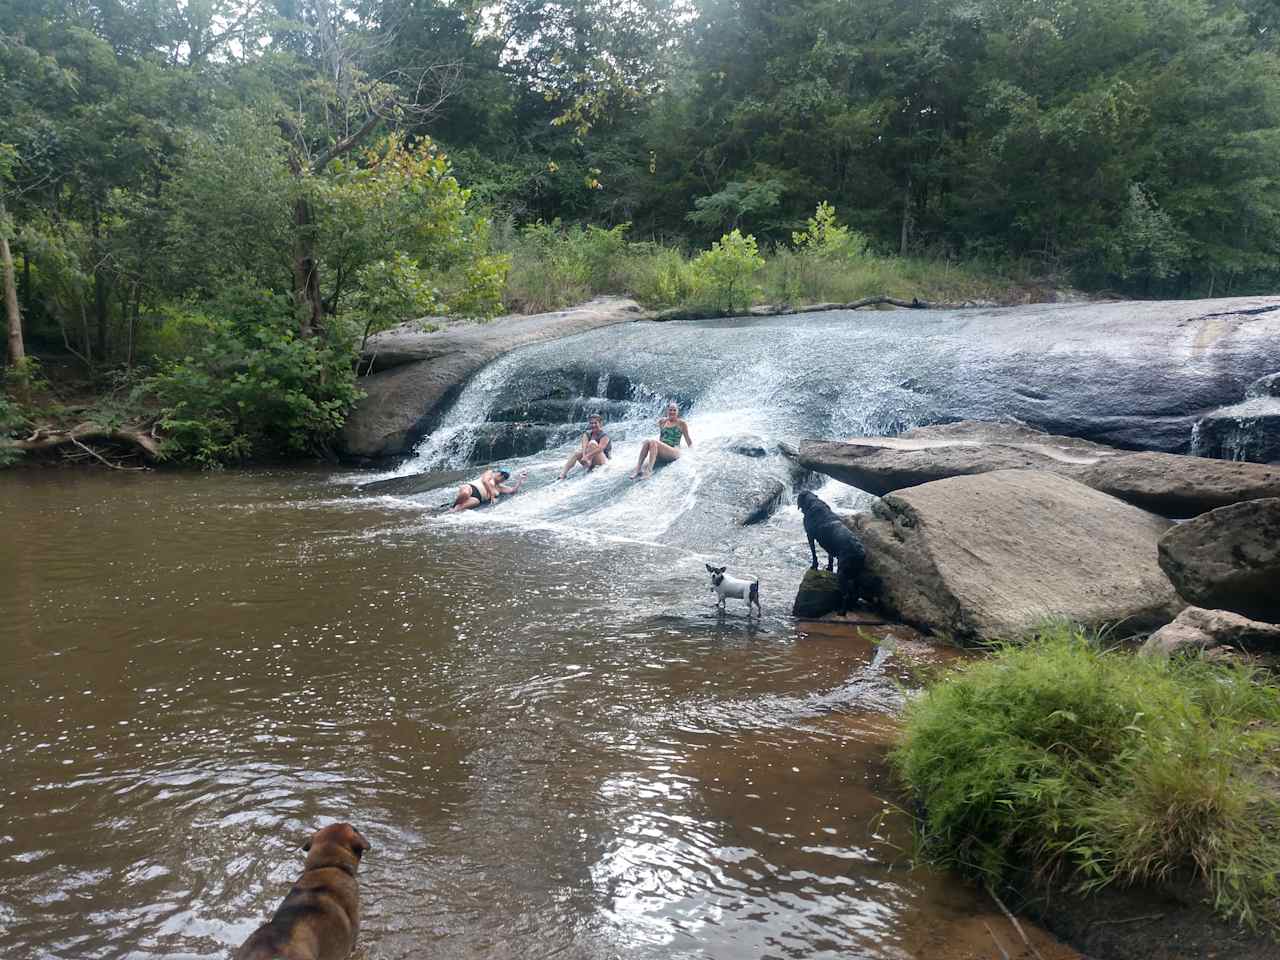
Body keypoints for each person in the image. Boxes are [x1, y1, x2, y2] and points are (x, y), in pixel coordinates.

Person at [631, 402, 692, 479]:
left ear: (677, 412)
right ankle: (638, 469)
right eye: (670, 410)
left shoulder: (682, 423)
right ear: (667, 411)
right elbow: (662, 437)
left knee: (653, 442)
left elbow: (688, 440)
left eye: (674, 410)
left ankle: (649, 471)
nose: (672, 412)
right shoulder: (662, 422)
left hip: (674, 451)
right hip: (663, 452)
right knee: (647, 441)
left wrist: (692, 453)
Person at [558, 413, 612, 480]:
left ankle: (589, 463)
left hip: (603, 461)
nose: (593, 425)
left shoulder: (605, 436)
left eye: (595, 423)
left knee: (592, 443)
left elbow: (600, 449)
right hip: (588, 460)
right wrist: (584, 455)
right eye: (591, 423)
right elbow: (584, 447)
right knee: (577, 453)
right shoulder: (587, 434)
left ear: (600, 423)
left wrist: (587, 456)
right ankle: (562, 474)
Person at [451, 467, 526, 511]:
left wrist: (520, 481)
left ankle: (452, 510)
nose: (501, 477)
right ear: (498, 473)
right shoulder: (490, 473)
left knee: (473, 503)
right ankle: (453, 506)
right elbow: (484, 481)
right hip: (471, 488)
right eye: (501, 474)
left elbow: (512, 491)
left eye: (505, 477)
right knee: (465, 493)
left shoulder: (500, 487)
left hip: (477, 498)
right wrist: (492, 495)